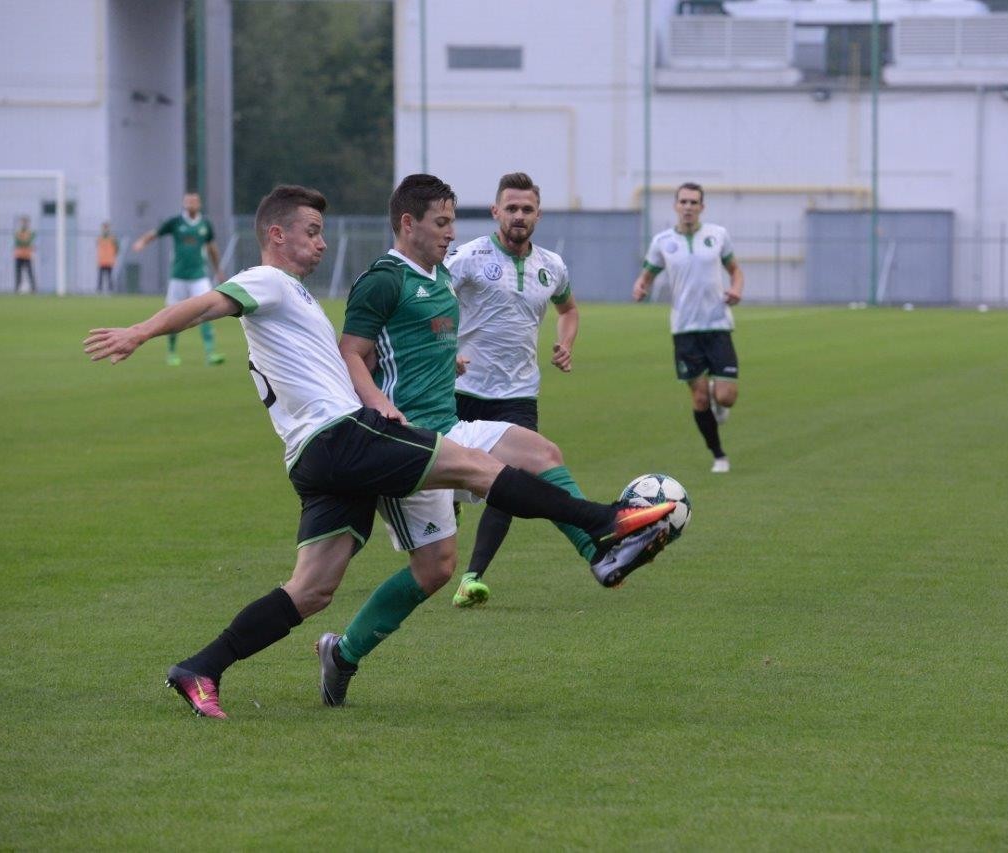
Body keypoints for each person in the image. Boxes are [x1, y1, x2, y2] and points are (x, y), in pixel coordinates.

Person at [83, 183, 674, 719]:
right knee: (479, 468)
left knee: (312, 589)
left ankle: (201, 667)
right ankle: (603, 523)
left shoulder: (297, 299)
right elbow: (211, 303)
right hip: (340, 435)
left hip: (311, 458)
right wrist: (140, 332)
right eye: (311, 232)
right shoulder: (267, 281)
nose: (320, 243)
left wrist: (440, 362)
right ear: (276, 235)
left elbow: (338, 362)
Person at [318, 173, 661, 708]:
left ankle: (600, 550)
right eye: (442, 222)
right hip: (406, 442)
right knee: (434, 571)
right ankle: (342, 655)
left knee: (543, 455)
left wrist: (445, 354)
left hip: (451, 424)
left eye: (454, 221)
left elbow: (432, 334)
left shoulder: (435, 278)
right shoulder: (384, 279)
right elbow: (350, 353)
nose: (451, 232)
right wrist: (380, 406)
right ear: (409, 223)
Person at [442, 172, 580, 608]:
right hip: (462, 390)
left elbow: (569, 309)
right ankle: (451, 499)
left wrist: (565, 342)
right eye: (512, 208)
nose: (519, 216)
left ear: (538, 214)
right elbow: (432, 300)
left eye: (527, 209)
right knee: (446, 482)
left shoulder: (551, 266)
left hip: (519, 395)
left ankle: (472, 577)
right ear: (495, 211)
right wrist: (446, 349)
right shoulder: (466, 258)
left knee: (510, 483)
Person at [632, 182, 743, 473]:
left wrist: (737, 289)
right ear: (675, 206)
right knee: (698, 397)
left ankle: (719, 401)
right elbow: (648, 274)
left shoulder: (717, 235)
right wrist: (641, 285)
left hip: (718, 324)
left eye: (694, 202)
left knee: (726, 396)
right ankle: (719, 455)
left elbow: (735, 270)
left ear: (702, 207)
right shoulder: (663, 241)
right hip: (684, 329)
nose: (689, 207)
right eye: (684, 202)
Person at [131, 192, 226, 366]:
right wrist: (142, 242)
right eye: (188, 201)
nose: (191, 204)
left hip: (199, 276)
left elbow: (212, 248)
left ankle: (210, 352)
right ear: (183, 203)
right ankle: (172, 352)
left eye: (194, 201)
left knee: (206, 311)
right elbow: (156, 233)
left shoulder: (205, 224)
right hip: (178, 277)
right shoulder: (175, 222)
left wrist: (218, 269)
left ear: (199, 204)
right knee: (173, 313)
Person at [13, 216, 36, 294]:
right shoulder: (17, 232)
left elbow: (28, 241)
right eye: (23, 222)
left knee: (30, 273)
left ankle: (33, 289)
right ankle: (17, 288)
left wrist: (24, 242)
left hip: (27, 255)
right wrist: (25, 242)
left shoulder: (30, 232)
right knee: (18, 273)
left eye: (25, 222)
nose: (24, 224)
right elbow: (18, 242)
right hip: (18, 255)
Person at [96, 221, 118, 294]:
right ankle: (99, 290)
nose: (105, 229)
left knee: (109, 276)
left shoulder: (112, 238)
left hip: (109, 260)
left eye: (106, 227)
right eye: (104, 227)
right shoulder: (99, 238)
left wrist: (114, 255)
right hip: (102, 260)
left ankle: (110, 290)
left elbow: (117, 248)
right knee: (100, 276)